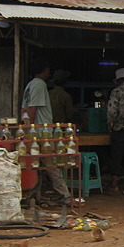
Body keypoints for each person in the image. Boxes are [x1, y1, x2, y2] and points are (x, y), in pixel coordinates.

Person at [21, 57, 77, 207]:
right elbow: (32, 108)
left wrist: (26, 126)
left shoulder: (30, 85)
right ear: (45, 70)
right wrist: (31, 129)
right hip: (41, 132)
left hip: (36, 131)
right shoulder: (39, 85)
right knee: (51, 165)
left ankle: (34, 195)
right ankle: (65, 196)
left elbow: (24, 109)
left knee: (36, 165)